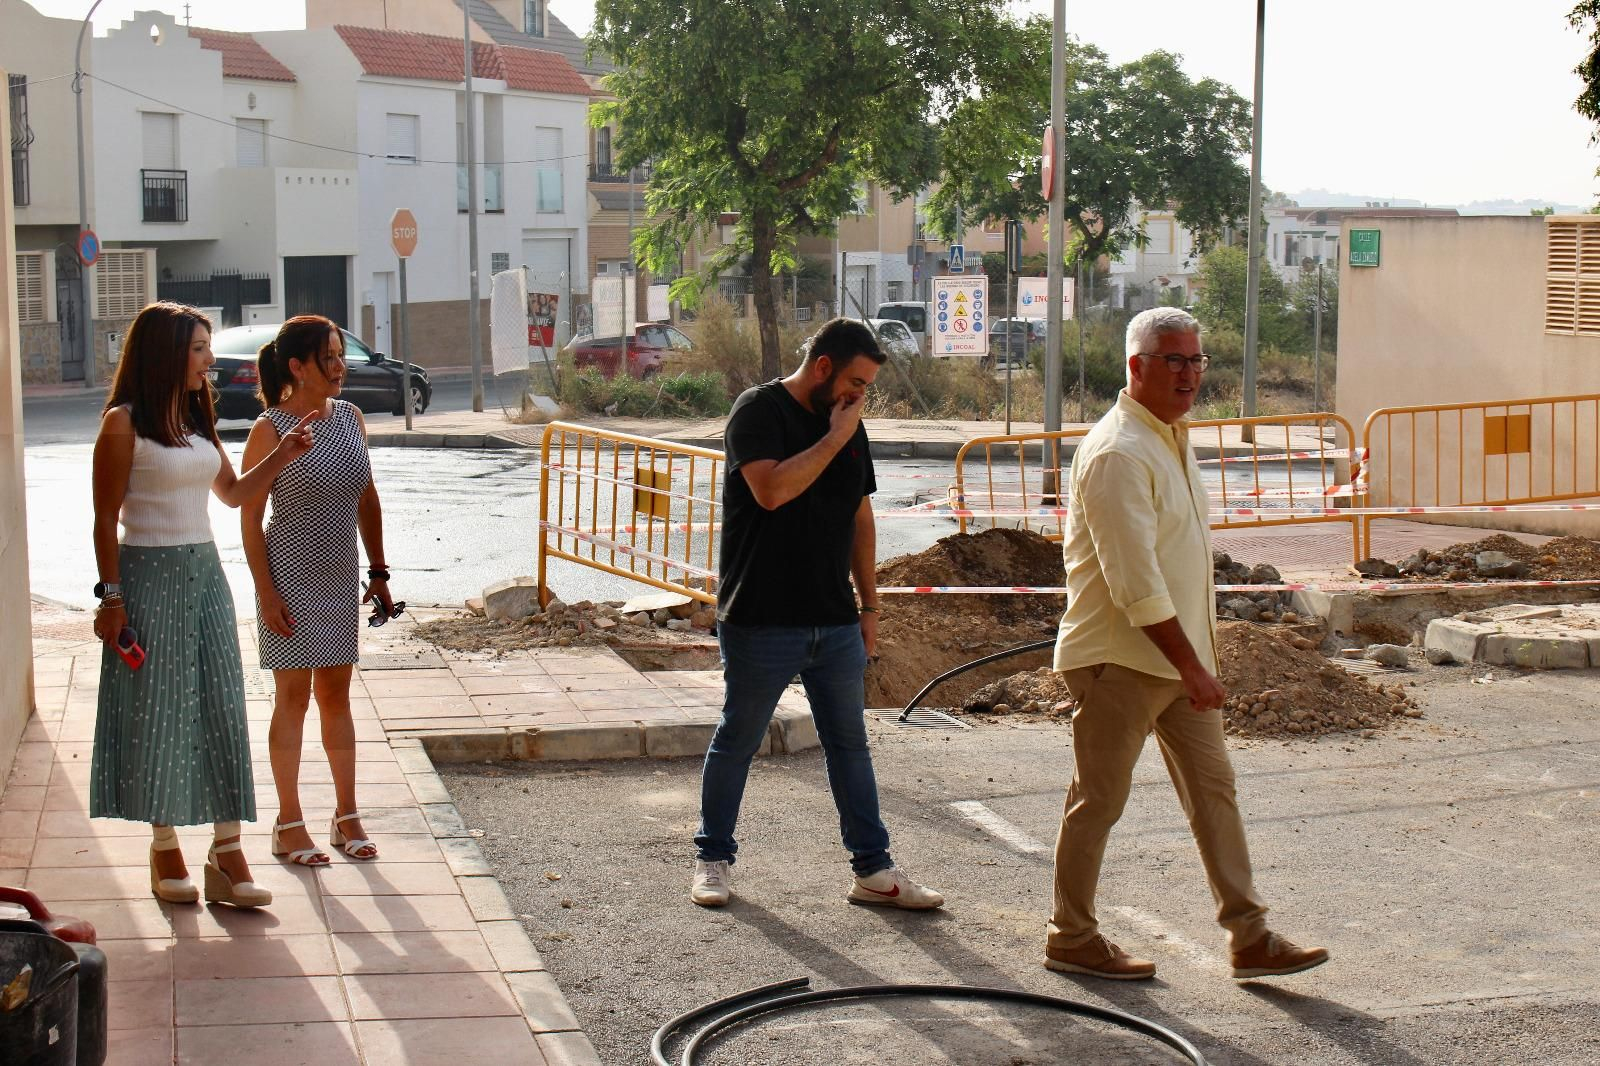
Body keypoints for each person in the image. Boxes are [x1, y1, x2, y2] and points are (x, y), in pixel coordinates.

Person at [1044, 306, 1330, 981]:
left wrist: (1194, 663)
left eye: (1197, 360)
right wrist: (1191, 665)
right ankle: (1071, 936)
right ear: (1136, 366)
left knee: (1214, 792)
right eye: (1174, 360)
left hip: (1174, 662)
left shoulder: (1168, 436)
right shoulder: (1119, 451)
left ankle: (1249, 935)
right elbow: (1135, 584)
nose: (1190, 374)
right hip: (1120, 661)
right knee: (1099, 802)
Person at [690, 317, 942, 910]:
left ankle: (874, 872)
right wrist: (833, 437)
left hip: (833, 621)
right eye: (855, 381)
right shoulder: (758, 411)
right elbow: (772, 491)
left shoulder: (850, 423)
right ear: (823, 367)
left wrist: (871, 603)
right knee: (738, 739)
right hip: (761, 617)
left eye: (867, 388)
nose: (860, 396)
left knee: (850, 745)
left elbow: (860, 518)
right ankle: (712, 859)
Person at [90, 301, 319, 908]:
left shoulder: (196, 421)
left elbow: (234, 492)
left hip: (206, 575)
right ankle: (165, 845)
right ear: (167, 352)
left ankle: (226, 852)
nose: (209, 361)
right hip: (148, 575)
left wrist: (284, 453)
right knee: (161, 711)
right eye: (198, 349)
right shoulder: (123, 422)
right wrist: (112, 599)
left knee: (221, 700)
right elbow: (103, 519)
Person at [241, 316, 393, 867]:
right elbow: (251, 518)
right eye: (328, 358)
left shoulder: (350, 418)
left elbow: (366, 498)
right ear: (297, 367)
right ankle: (288, 821)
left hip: (337, 572)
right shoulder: (269, 428)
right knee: (293, 698)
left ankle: (346, 813)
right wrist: (265, 592)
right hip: (289, 576)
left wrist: (378, 572)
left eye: (340, 355)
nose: (340, 367)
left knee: (336, 695)